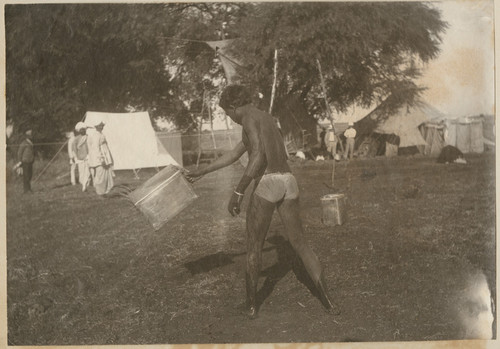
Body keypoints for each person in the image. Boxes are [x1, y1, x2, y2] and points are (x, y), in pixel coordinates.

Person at [186, 85, 339, 318]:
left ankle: (250, 305)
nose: (230, 118)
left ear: (235, 107)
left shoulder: (247, 118)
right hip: (289, 181)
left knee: (253, 247)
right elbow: (235, 154)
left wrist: (239, 191)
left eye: (228, 113)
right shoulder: (265, 118)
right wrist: (202, 171)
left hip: (268, 182)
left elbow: (258, 155)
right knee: (301, 244)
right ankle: (328, 302)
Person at [87, 120, 114, 195]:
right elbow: (96, 148)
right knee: (101, 175)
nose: (102, 127)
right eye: (100, 125)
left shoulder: (101, 134)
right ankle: (100, 192)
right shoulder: (96, 135)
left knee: (106, 174)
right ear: (96, 126)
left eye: (102, 125)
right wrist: (101, 158)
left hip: (105, 156)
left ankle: (105, 190)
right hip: (100, 158)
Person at [15, 127, 35, 194]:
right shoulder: (24, 143)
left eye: (31, 135)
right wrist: (19, 161)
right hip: (25, 161)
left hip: (30, 161)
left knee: (30, 175)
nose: (31, 136)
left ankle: (28, 189)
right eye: (29, 135)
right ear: (27, 136)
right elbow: (19, 152)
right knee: (26, 176)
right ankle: (26, 190)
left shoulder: (31, 143)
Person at [72, 122, 91, 192]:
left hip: (88, 156)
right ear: (79, 131)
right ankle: (83, 183)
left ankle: (85, 184)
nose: (83, 131)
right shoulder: (76, 139)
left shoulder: (88, 137)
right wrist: (76, 156)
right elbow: (74, 148)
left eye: (84, 129)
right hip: (80, 157)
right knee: (81, 171)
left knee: (88, 171)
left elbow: (90, 146)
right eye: (82, 130)